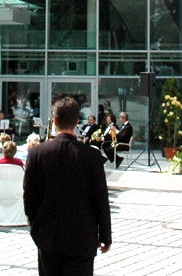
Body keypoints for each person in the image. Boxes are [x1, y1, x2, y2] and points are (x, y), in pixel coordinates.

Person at [24, 97, 112, 276]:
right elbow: (100, 199)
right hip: (82, 236)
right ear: (77, 121)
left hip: (48, 235)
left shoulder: (37, 154)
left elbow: (29, 197)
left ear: (54, 120)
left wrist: (36, 226)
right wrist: (105, 236)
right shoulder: (92, 157)